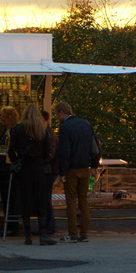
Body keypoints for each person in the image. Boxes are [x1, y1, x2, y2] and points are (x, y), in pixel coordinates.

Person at [8, 105, 57, 246]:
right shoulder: (42, 130)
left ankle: (28, 236)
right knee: (40, 200)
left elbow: (12, 151)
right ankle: (42, 234)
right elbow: (47, 151)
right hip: (37, 168)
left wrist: (17, 161)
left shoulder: (17, 129)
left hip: (23, 169)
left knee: (25, 200)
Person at [53, 101, 95, 242]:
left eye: (56, 115)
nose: (57, 118)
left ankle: (72, 234)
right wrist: (94, 165)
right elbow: (95, 146)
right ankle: (84, 234)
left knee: (71, 201)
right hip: (85, 168)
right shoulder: (86, 124)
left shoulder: (65, 127)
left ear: (61, 112)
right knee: (83, 200)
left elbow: (64, 151)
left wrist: (62, 172)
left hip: (71, 170)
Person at [0, 105, 20, 233]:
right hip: (5, 169)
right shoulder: (10, 131)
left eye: (4, 116)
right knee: (7, 199)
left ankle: (12, 226)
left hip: (7, 169)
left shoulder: (12, 132)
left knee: (9, 199)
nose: (2, 119)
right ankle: (11, 225)